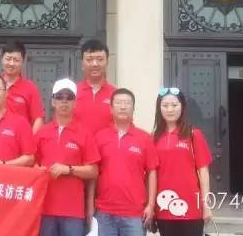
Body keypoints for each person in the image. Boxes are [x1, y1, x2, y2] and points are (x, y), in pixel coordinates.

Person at [89, 88, 158, 236]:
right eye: (119, 103)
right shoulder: (99, 136)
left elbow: (152, 172)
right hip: (104, 212)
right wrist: (90, 205)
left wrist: (151, 205)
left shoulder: (144, 138)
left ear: (133, 109)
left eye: (127, 103)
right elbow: (93, 173)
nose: (123, 106)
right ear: (111, 108)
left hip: (135, 213)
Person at [35, 78, 100, 236]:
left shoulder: (84, 133)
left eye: (69, 97)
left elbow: (93, 171)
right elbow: (32, 163)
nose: (64, 101)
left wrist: (69, 169)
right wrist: (38, 170)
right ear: (53, 102)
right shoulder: (42, 132)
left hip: (73, 211)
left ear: (75, 103)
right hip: (44, 208)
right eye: (60, 97)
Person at [152, 88, 213, 236]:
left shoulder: (193, 135)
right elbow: (151, 174)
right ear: (159, 108)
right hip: (164, 205)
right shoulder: (153, 138)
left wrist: (206, 205)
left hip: (191, 205)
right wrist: (151, 205)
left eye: (174, 105)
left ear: (182, 107)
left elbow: (203, 172)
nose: (170, 109)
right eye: (165, 105)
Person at [0, 41, 44, 133]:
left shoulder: (30, 88)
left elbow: (38, 119)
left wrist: (30, 140)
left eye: (16, 60)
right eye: (8, 59)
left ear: (23, 61)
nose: (11, 63)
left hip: (19, 139)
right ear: (2, 59)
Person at [74, 39, 117, 135]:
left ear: (107, 62)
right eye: (89, 60)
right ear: (82, 63)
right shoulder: (72, 93)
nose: (95, 64)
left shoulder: (116, 95)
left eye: (100, 59)